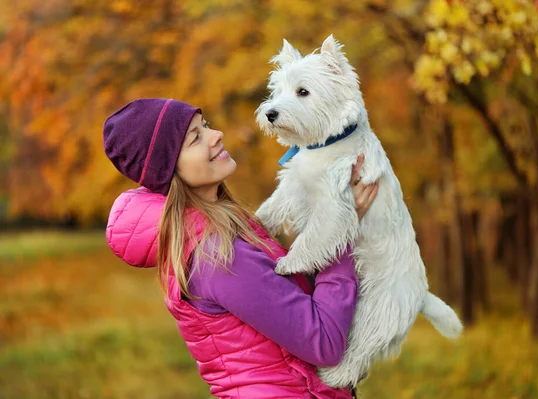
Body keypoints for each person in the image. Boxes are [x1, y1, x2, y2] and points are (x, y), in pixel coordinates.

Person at [103, 98, 379, 398]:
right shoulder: (217, 256)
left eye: (205, 125)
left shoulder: (220, 230)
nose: (216, 134)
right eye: (196, 138)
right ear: (170, 171)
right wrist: (337, 231)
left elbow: (294, 304)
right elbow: (323, 342)